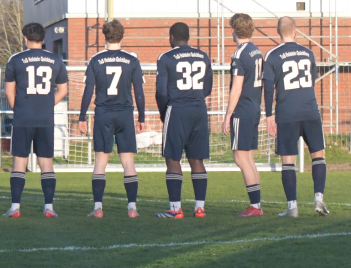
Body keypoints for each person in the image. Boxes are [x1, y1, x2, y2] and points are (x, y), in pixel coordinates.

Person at [263, 16, 330, 217]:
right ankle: (319, 198)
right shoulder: (308, 53)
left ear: (278, 31)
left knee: (288, 160)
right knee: (318, 154)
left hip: (287, 112)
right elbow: (313, 80)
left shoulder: (272, 55)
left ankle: (292, 207)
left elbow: (267, 88)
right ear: (295, 30)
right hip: (310, 110)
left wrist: (268, 116)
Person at [77, 19, 143, 218]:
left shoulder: (96, 59)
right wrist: (142, 116)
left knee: (100, 161)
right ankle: (132, 207)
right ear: (122, 36)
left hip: (104, 114)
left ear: (104, 36)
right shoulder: (132, 59)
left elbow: (88, 90)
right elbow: (139, 90)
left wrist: (81, 117)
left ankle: (98, 208)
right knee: (128, 162)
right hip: (124, 113)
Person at [4, 22, 68, 218]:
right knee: (46, 162)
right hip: (45, 118)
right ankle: (48, 207)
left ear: (25, 38)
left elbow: (9, 91)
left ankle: (15, 208)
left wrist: (20, 109)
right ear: (44, 39)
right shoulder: (55, 59)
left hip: (23, 117)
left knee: (19, 162)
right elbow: (63, 90)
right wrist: (47, 105)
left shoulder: (15, 59)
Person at [155, 22, 213, 218]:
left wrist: (165, 113)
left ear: (171, 37)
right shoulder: (203, 56)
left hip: (177, 109)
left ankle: (175, 209)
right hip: (199, 109)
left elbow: (161, 92)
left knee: (172, 158)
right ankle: (199, 208)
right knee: (197, 159)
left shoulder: (166, 57)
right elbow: (208, 88)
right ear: (189, 37)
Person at [222, 14, 265, 217]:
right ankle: (257, 204)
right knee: (248, 157)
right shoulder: (256, 51)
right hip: (255, 107)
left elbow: (236, 87)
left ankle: (255, 206)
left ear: (234, 30)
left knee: (240, 157)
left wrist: (228, 114)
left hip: (243, 109)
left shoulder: (239, 54)